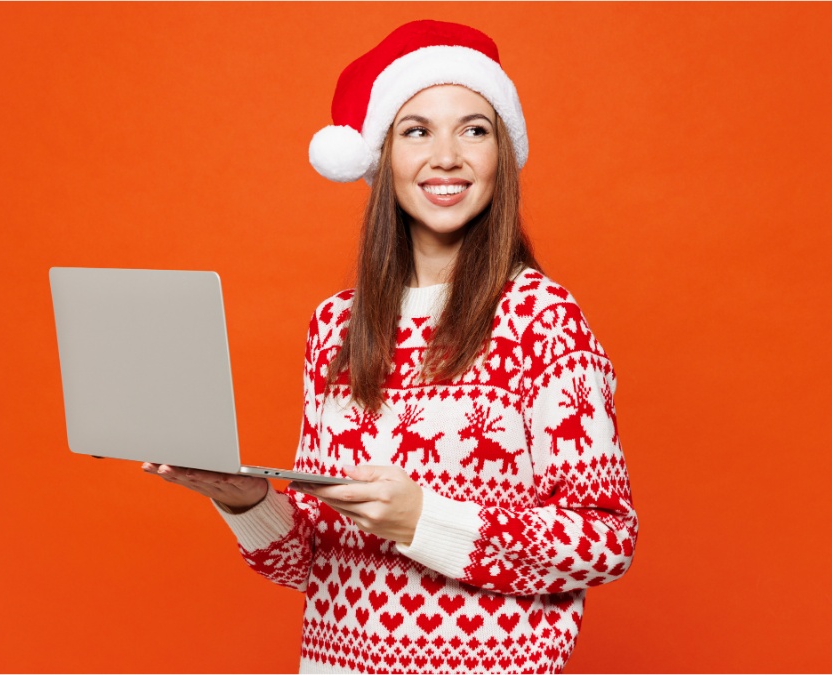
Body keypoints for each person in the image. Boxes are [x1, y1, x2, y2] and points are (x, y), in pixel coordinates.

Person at [143, 20, 637, 674]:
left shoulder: (540, 318)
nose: (447, 156)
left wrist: (422, 520)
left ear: (500, 155)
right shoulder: (335, 327)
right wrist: (243, 498)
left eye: (474, 129)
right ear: (381, 157)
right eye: (417, 130)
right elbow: (313, 565)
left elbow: (605, 540)